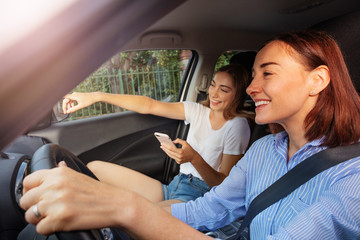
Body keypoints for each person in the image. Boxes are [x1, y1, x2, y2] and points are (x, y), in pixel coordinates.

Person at [20, 30, 360, 239]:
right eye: (253, 75)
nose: (253, 87)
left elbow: (209, 192)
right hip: (183, 193)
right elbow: (210, 209)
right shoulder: (264, 151)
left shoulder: (352, 177)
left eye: (267, 73)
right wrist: (121, 218)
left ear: (318, 80)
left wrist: (128, 210)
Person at [60, 64, 252, 205]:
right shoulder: (197, 111)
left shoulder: (237, 126)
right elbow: (149, 105)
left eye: (224, 89)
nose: (214, 94)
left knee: (138, 219)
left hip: (199, 197)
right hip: (175, 185)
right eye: (213, 85)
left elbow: (223, 185)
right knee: (94, 168)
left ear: (238, 95)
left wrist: (193, 158)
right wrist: (96, 96)